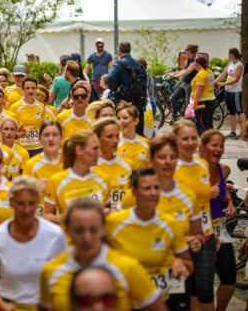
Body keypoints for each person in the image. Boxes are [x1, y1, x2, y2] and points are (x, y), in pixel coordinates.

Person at [40, 198, 164, 311]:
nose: (87, 238)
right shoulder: (51, 270)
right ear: (67, 230)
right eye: (79, 230)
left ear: (103, 229)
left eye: (93, 230)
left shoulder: (128, 267)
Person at [105, 168, 193, 307]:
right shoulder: (113, 223)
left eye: (156, 188)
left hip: (160, 298)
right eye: (147, 188)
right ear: (134, 193)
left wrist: (181, 262)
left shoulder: (170, 224)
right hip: (126, 301)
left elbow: (189, 264)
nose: (153, 193)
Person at [0, 176, 67, 310]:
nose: (26, 210)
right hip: (10, 306)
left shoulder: (54, 235)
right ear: (11, 203)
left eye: (31, 204)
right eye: (21, 204)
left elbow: (67, 277)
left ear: (38, 203)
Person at [172, 120, 215, 311]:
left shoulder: (202, 165)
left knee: (205, 291)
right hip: (179, 240)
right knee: (181, 293)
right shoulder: (169, 167)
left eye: (193, 138)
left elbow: (205, 203)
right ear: (175, 140)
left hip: (205, 236)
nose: (190, 142)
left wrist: (213, 231)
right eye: (185, 139)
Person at [199, 130, 237, 311]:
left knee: (229, 279)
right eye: (214, 145)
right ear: (203, 147)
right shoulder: (196, 170)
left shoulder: (222, 169)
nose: (218, 149)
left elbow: (224, 189)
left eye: (221, 146)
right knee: (201, 286)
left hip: (219, 228)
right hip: (200, 229)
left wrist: (229, 202)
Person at [43, 130, 108, 224]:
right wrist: (62, 218)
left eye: (99, 148)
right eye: (95, 148)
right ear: (79, 150)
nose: (100, 153)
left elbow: (108, 212)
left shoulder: (104, 179)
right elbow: (46, 216)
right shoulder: (56, 181)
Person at [107, 41, 147, 135]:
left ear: (119, 51)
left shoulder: (118, 65)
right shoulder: (140, 65)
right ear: (130, 50)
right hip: (138, 103)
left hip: (123, 104)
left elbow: (110, 79)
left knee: (122, 132)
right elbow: (145, 81)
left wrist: (116, 89)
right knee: (138, 132)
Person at [91, 118, 132, 210]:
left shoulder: (127, 164)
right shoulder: (89, 166)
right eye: (109, 137)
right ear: (97, 138)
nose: (115, 141)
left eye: (117, 136)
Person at [10, 76, 51, 156]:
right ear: (23, 89)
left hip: (38, 147)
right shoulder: (15, 107)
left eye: (33, 88)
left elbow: (41, 125)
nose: (30, 91)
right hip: (21, 148)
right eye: (27, 88)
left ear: (36, 89)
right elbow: (11, 129)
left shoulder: (41, 106)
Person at [215, 47, 245, 139]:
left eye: (229, 53)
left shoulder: (239, 65)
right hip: (228, 91)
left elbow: (236, 79)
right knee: (231, 112)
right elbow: (223, 74)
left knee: (239, 111)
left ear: (233, 54)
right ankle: (233, 132)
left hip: (235, 92)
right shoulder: (230, 64)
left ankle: (244, 132)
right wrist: (214, 82)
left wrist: (223, 84)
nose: (228, 55)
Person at [116, 101, 150, 170]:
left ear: (136, 121)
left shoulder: (146, 144)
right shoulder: (113, 143)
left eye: (125, 118)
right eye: (118, 118)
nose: (121, 122)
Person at [169, 44, 199, 121]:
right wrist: (174, 73)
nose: (185, 52)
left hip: (191, 85)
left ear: (191, 51)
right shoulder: (188, 60)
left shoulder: (195, 60)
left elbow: (187, 72)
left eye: (186, 50)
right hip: (184, 83)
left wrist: (175, 75)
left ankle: (190, 121)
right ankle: (175, 117)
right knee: (173, 98)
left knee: (188, 105)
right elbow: (184, 70)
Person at [190, 55, 216, 133]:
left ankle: (205, 139)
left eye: (194, 62)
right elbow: (212, 86)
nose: (193, 64)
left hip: (202, 102)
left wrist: (195, 103)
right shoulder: (210, 72)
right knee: (209, 124)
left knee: (202, 124)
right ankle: (211, 139)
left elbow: (200, 90)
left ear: (197, 63)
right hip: (211, 100)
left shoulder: (201, 74)